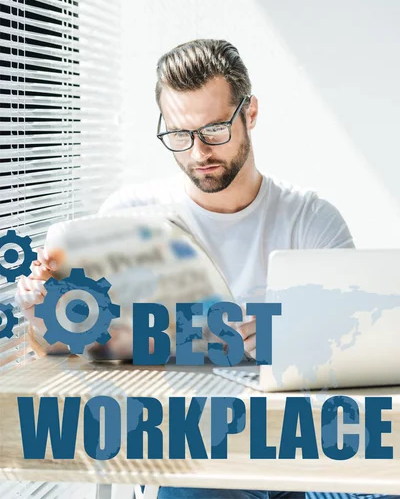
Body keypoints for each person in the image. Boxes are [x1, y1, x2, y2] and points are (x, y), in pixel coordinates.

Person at [16, 39, 398, 499]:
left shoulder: (309, 220)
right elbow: (66, 352)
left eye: (215, 129)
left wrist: (298, 337)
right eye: (179, 134)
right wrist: (44, 313)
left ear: (249, 113)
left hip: (300, 446)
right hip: (193, 452)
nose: (198, 152)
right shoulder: (127, 217)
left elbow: (368, 348)